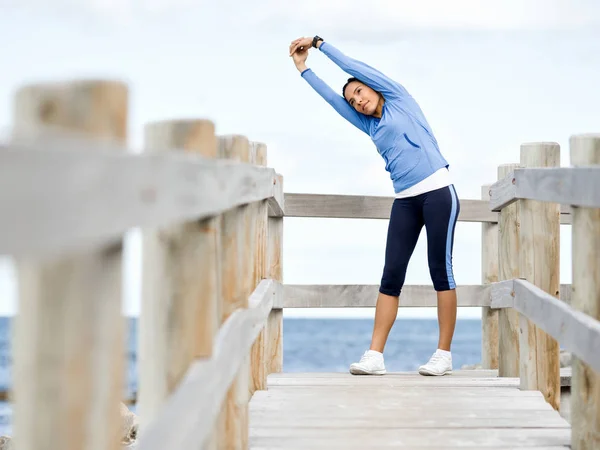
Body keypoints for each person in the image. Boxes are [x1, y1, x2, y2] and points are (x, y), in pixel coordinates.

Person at [289, 36, 460, 376]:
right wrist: (302, 69)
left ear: (373, 88)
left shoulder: (398, 98)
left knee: (440, 271)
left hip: (438, 191)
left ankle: (443, 354)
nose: (359, 100)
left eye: (361, 92)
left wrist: (319, 44)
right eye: (353, 100)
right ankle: (375, 355)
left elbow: (352, 67)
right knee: (391, 275)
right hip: (405, 200)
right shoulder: (369, 125)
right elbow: (331, 100)